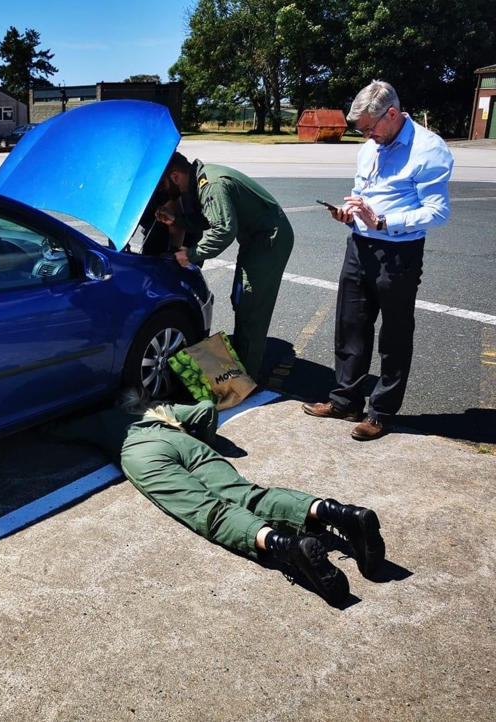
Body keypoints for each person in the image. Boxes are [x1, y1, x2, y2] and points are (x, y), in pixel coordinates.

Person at [47, 392, 385, 606]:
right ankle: (337, 512)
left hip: (142, 454)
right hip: (183, 442)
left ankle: (284, 546)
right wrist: (205, 441)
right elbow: (206, 408)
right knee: (247, 493)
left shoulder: (96, 417)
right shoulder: (155, 407)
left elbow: (55, 429)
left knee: (208, 511)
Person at [303, 80, 454, 441]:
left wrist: (384, 221)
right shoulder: (370, 147)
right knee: (350, 324)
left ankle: (382, 413)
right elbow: (362, 193)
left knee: (395, 335)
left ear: (392, 114)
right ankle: (345, 400)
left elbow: (439, 211)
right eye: (362, 130)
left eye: (370, 128)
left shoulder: (429, 150)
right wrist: (350, 212)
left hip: (398, 253)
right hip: (360, 244)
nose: (368, 136)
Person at [154, 152, 294, 382]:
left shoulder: (212, 185)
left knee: (251, 304)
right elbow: (209, 220)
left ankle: (246, 379)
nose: (166, 190)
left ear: (176, 175)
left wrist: (190, 255)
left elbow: (223, 231)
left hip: (269, 241)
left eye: (164, 183)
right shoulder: (201, 181)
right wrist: (175, 220)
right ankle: (242, 363)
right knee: (241, 298)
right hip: (255, 239)